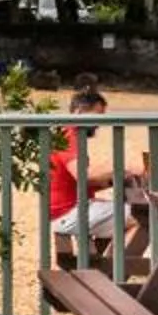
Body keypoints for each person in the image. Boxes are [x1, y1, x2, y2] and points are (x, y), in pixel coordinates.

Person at [49, 82, 123, 248]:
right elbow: (83, 176)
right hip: (68, 212)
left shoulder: (67, 133)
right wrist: (119, 168)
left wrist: (112, 180)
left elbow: (77, 181)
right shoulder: (69, 137)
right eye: (97, 116)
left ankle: (104, 267)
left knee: (122, 212)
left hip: (65, 209)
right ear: (79, 112)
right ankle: (112, 271)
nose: (98, 123)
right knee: (141, 219)